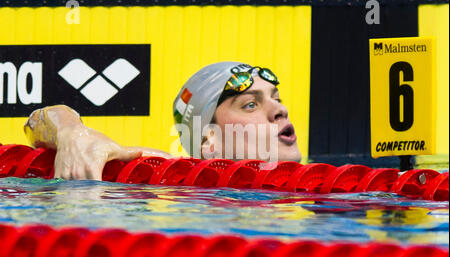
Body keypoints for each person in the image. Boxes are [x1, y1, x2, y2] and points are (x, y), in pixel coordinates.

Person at [24, 61, 301, 180]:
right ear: (209, 142)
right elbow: (38, 120)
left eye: (276, 98)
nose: (280, 110)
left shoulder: (329, 187)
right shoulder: (166, 173)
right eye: (251, 104)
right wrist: (71, 131)